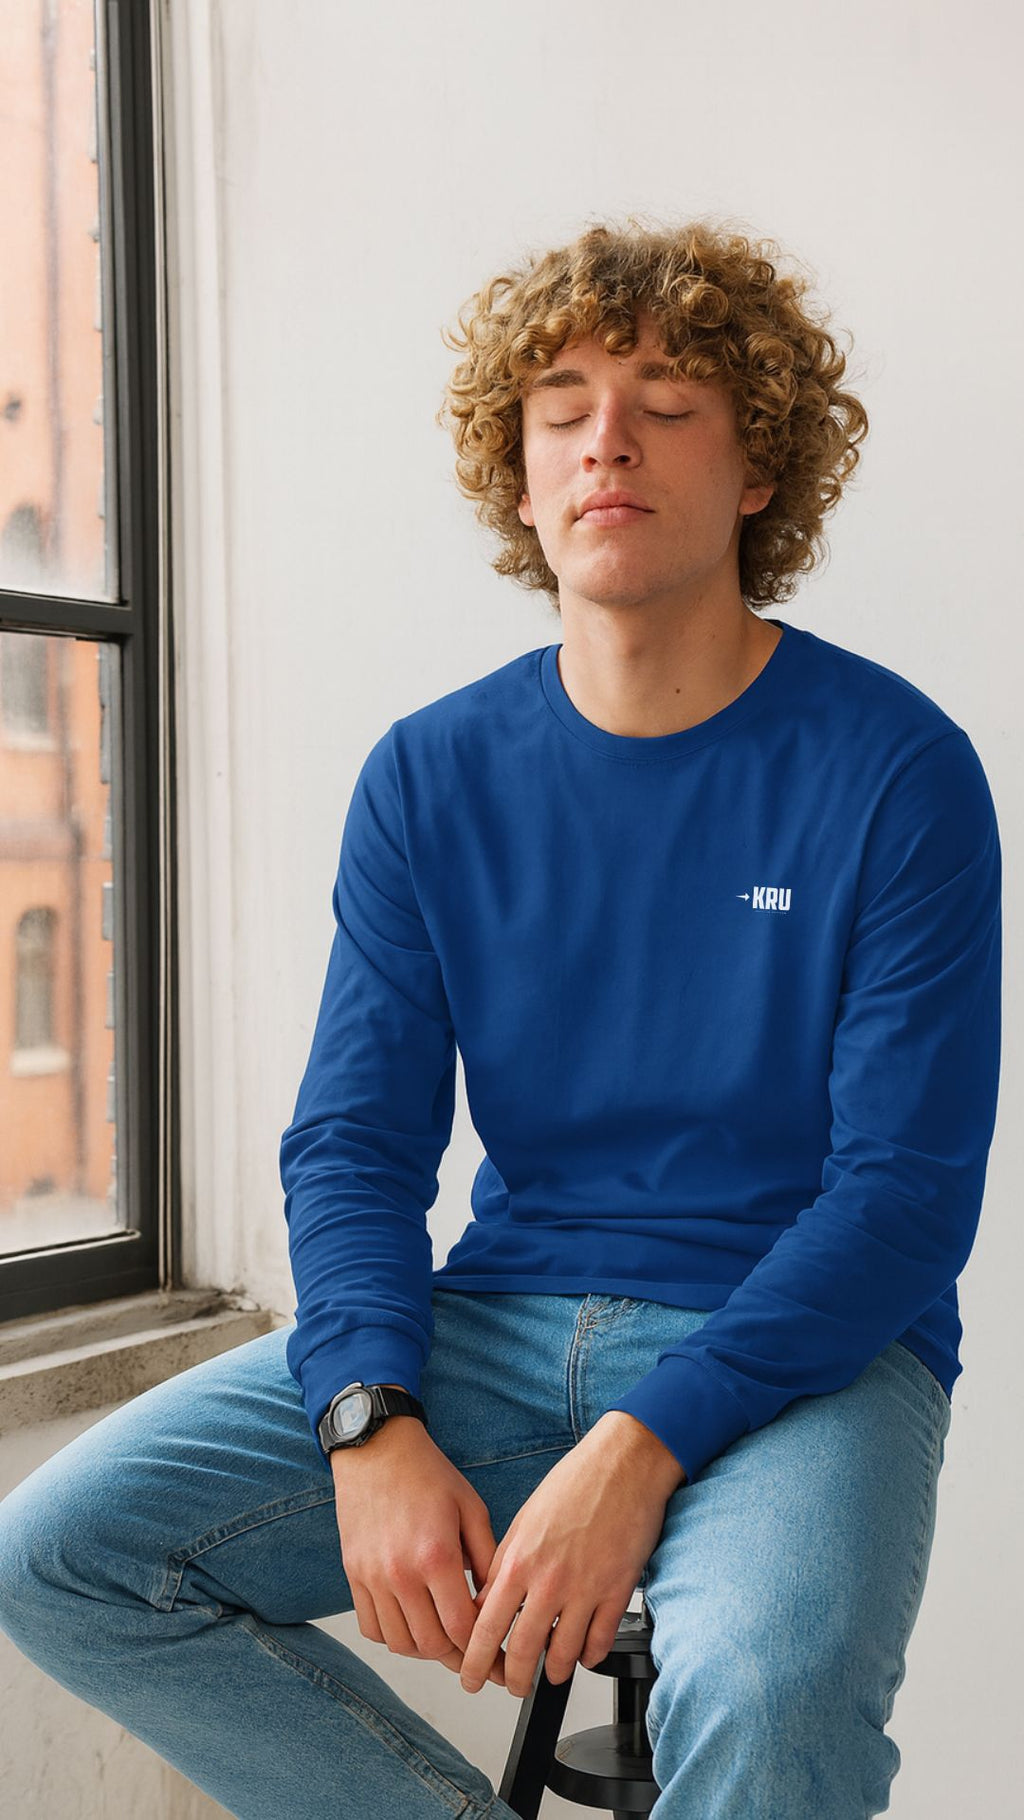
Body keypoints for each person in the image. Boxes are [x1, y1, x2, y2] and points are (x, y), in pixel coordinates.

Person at [0, 217, 1002, 1820]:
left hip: (807, 1351)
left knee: (765, 1687)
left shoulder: (898, 771)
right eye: (563, 404)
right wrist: (367, 1412)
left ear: (759, 473)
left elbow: (901, 1200)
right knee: (62, 1562)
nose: (610, 439)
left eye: (670, 402)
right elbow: (353, 1143)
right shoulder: (430, 775)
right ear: (522, 477)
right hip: (498, 1326)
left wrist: (646, 1444)